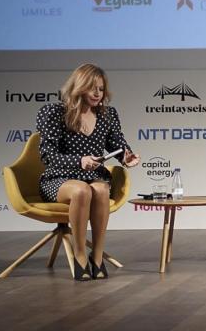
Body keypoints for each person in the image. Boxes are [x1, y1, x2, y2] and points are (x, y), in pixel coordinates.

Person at [36, 63, 140, 281]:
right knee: (82, 191)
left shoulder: (107, 115)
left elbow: (117, 146)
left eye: (101, 89)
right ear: (79, 87)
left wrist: (127, 158)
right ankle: (80, 254)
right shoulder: (55, 113)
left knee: (101, 190)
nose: (97, 93)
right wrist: (79, 160)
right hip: (59, 177)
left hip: (94, 175)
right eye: (92, 88)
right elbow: (47, 156)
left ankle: (98, 256)